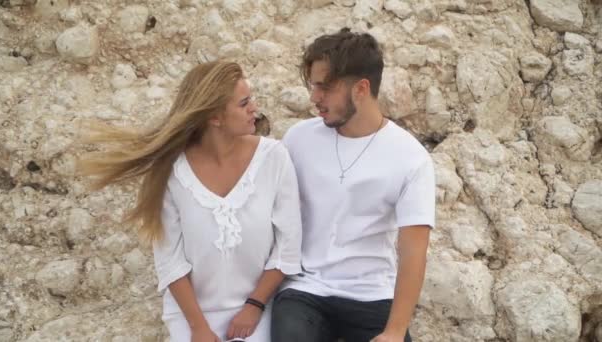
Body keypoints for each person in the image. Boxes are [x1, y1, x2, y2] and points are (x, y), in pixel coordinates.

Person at [79, 61, 302, 342]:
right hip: (192, 315)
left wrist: (254, 306)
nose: (254, 108)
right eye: (244, 103)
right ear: (215, 118)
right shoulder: (172, 170)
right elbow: (170, 261)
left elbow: (288, 249)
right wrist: (198, 328)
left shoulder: (274, 157)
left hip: (260, 306)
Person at [271, 28, 435, 342]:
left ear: (361, 89)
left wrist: (395, 331)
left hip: (372, 294)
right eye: (313, 86)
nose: (314, 98)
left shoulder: (410, 158)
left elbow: (414, 251)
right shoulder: (298, 139)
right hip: (305, 289)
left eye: (325, 87)